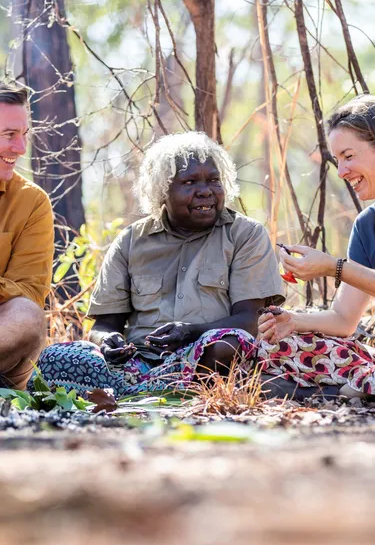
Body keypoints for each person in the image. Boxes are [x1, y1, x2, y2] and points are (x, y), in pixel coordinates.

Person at [34, 131, 284, 397]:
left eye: (214, 180)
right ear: (162, 191)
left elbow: (249, 321)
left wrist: (189, 333)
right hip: (137, 361)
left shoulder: (245, 234)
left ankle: (143, 391)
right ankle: (150, 389)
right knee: (54, 357)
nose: (205, 192)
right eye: (189, 182)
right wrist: (107, 342)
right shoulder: (131, 241)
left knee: (230, 345)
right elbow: (105, 326)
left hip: (203, 355)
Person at [257, 94, 375, 398]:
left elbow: (342, 271)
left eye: (349, 156)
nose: (342, 172)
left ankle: (350, 388)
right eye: (337, 161)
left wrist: (333, 267)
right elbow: (344, 320)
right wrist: (292, 322)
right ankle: (350, 387)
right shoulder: (367, 226)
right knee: (272, 345)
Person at [0, 82, 54, 389]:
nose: (20, 149)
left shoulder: (32, 202)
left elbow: (30, 292)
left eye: (24, 135)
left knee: (26, 315)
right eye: (9, 135)